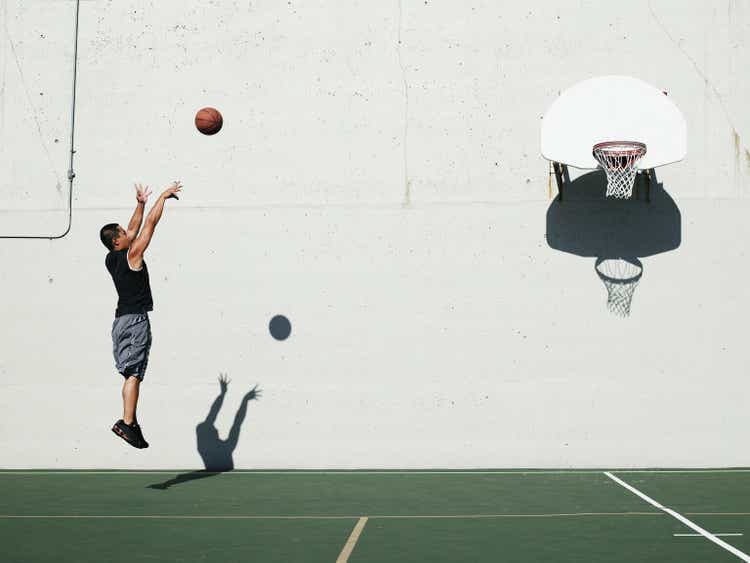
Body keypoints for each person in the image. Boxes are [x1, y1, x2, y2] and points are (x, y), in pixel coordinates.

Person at [99, 181, 182, 448]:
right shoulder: (132, 254)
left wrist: (140, 203)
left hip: (120, 321)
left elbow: (135, 227)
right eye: (123, 232)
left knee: (128, 374)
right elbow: (148, 227)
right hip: (135, 321)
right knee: (134, 374)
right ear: (117, 241)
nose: (128, 231)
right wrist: (162, 198)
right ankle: (126, 423)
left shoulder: (111, 258)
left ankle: (130, 422)